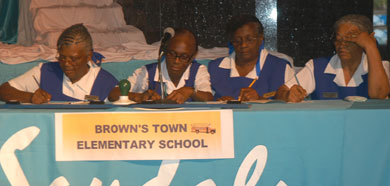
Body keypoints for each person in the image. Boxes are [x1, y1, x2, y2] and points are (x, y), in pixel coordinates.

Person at [276, 14, 390, 102]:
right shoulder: (318, 67)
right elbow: (281, 91)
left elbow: (378, 95)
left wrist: (371, 47)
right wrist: (288, 95)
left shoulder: (380, 67)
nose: (342, 45)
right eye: (338, 39)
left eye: (350, 39)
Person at [0, 24, 118, 104]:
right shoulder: (46, 71)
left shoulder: (107, 84)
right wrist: (30, 97)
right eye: (62, 57)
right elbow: (4, 90)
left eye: (73, 59)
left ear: (89, 56)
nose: (66, 63)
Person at [108, 28, 213, 104]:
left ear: (192, 57)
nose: (176, 61)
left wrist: (190, 91)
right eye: (172, 53)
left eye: (184, 57)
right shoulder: (148, 72)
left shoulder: (198, 71)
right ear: (165, 51)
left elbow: (208, 98)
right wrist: (138, 96)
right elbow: (113, 94)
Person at [208, 14, 295, 101]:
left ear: (261, 39)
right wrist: (218, 104)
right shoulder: (215, 68)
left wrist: (259, 99)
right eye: (237, 41)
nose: (243, 45)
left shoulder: (281, 68)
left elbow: (293, 107)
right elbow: (205, 103)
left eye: (249, 40)